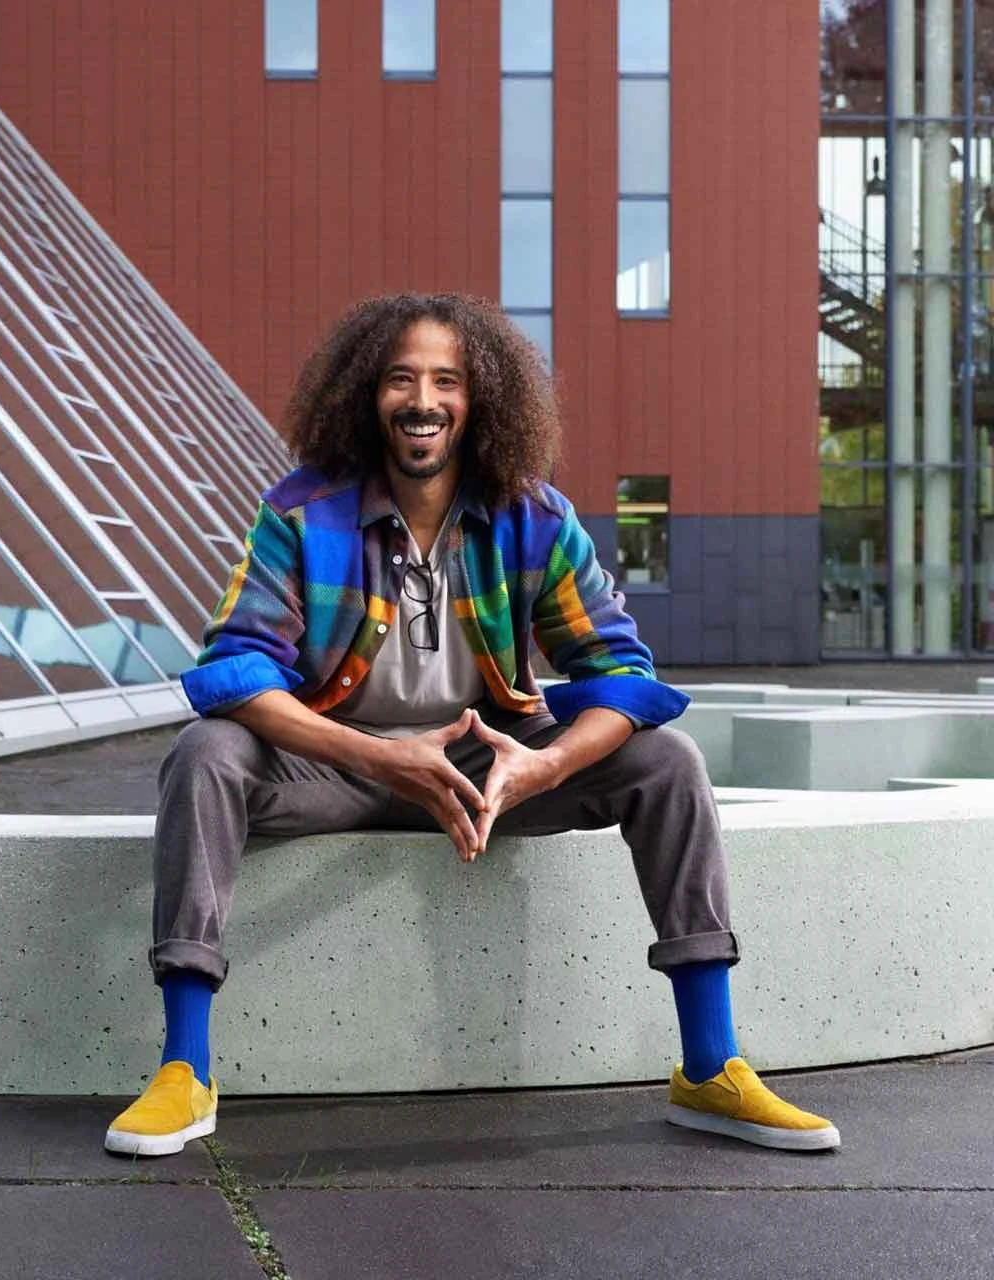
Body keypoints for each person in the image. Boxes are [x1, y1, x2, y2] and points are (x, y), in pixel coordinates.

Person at [104, 293, 838, 1158]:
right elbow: (233, 669)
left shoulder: (535, 516)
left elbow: (624, 674)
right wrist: (380, 758)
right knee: (207, 752)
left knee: (667, 760)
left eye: (447, 381)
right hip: (340, 768)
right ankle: (185, 1069)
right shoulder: (303, 512)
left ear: (481, 397)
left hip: (484, 772)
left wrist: (543, 768)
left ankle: (710, 1067)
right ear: (365, 394)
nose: (424, 400)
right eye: (402, 379)